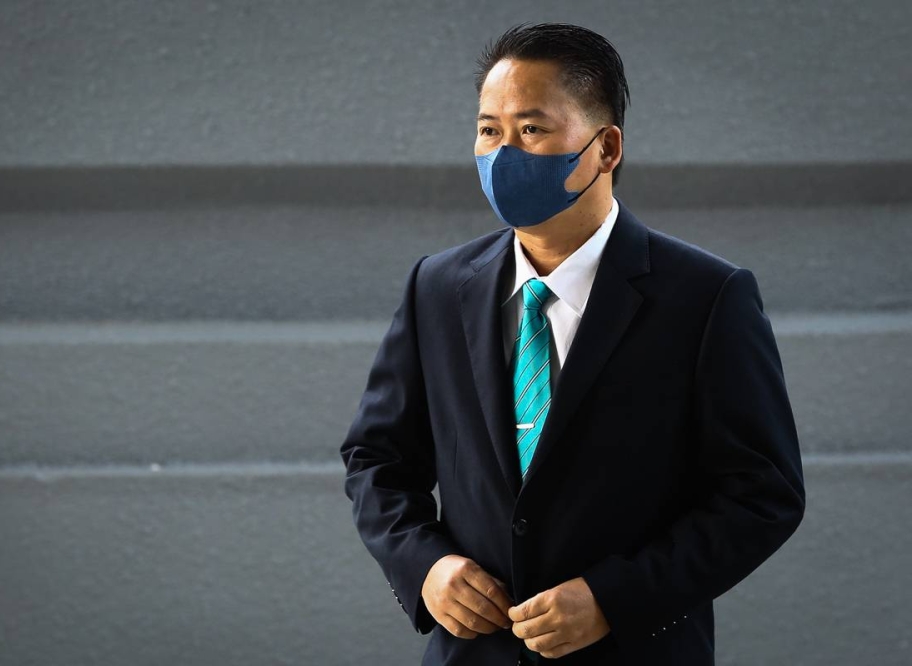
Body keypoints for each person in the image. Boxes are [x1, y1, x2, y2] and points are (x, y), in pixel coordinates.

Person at [340, 22, 805, 666]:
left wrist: (616, 598)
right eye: (489, 130)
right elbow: (377, 458)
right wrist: (426, 566)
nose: (504, 153)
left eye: (531, 129)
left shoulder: (705, 297)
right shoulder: (437, 287)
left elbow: (762, 494)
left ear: (606, 147)